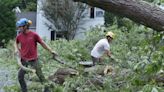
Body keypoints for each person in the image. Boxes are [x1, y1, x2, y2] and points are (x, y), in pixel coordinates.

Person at [15, 18, 57, 92]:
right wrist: (17, 49)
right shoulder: (19, 36)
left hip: (34, 60)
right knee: (20, 77)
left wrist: (51, 50)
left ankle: (47, 90)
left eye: (20, 27)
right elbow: (16, 43)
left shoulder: (34, 35)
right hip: (24, 61)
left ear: (25, 26)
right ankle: (24, 90)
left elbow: (42, 43)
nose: (19, 28)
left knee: (41, 77)